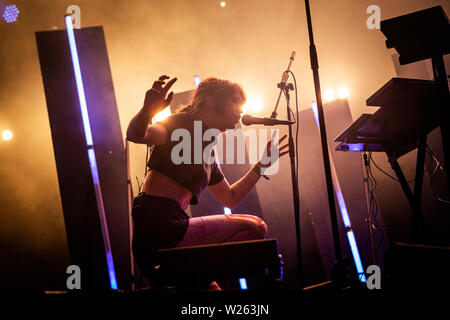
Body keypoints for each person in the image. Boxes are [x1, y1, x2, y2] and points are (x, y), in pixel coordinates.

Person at [126, 75, 288, 291]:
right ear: (212, 100)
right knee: (255, 226)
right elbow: (137, 134)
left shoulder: (207, 153)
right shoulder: (181, 123)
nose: (241, 111)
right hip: (159, 228)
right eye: (235, 101)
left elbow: (229, 197)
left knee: (212, 292)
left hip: (173, 227)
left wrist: (261, 166)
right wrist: (148, 110)